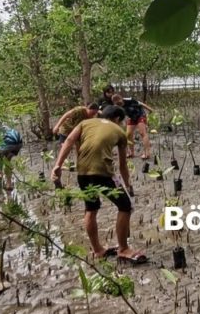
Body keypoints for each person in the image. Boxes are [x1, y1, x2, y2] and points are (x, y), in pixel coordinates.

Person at [50, 105, 145, 264]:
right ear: (116, 119)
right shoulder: (119, 132)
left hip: (83, 173)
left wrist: (58, 165)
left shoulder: (85, 123)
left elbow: (68, 141)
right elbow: (122, 165)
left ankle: (98, 250)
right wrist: (127, 185)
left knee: (91, 208)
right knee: (125, 206)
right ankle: (123, 248)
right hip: (102, 172)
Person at [112, 94, 155, 160]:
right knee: (128, 134)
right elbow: (119, 118)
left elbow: (140, 104)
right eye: (117, 103)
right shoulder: (117, 107)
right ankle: (131, 152)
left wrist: (150, 109)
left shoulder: (129, 100)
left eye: (119, 102)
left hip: (140, 115)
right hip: (132, 118)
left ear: (121, 99)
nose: (119, 104)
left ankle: (147, 153)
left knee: (142, 132)